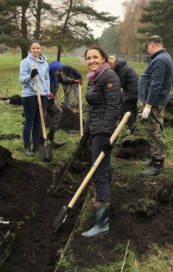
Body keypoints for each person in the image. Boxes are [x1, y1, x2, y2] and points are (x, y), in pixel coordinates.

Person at [78, 46, 120, 238]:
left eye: (95, 57)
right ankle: (106, 198)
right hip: (96, 128)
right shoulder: (94, 77)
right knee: (104, 168)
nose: (91, 60)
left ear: (104, 57)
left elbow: (113, 107)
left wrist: (106, 135)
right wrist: (85, 134)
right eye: (88, 58)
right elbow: (93, 109)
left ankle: (101, 223)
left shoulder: (108, 76)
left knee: (99, 172)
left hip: (104, 130)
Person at [138, 35, 173, 177]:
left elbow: (156, 84)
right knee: (152, 130)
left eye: (147, 46)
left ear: (152, 44)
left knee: (155, 131)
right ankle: (154, 158)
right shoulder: (163, 57)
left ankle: (158, 164)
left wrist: (148, 105)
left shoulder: (160, 60)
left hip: (154, 102)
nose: (147, 48)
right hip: (156, 100)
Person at [19, 40, 50, 156]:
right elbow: (22, 79)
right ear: (30, 50)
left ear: (40, 49)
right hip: (29, 95)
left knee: (38, 121)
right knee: (29, 121)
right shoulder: (25, 62)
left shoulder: (44, 63)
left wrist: (47, 92)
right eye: (34, 48)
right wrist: (31, 75)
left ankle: (36, 144)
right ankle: (27, 146)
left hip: (42, 95)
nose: (36, 50)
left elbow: (47, 79)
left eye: (38, 48)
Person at [47, 61, 82, 147]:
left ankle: (51, 135)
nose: (58, 74)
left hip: (50, 100)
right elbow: (39, 85)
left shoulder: (58, 75)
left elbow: (64, 79)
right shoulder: (45, 75)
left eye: (60, 72)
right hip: (42, 100)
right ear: (52, 69)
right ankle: (40, 140)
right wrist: (47, 93)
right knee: (40, 118)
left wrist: (74, 81)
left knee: (58, 111)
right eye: (57, 71)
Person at [108, 56, 139, 133]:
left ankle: (130, 127)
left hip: (132, 89)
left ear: (112, 64)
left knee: (128, 108)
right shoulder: (121, 65)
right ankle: (134, 125)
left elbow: (121, 83)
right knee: (133, 107)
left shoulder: (121, 69)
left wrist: (111, 87)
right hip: (137, 88)